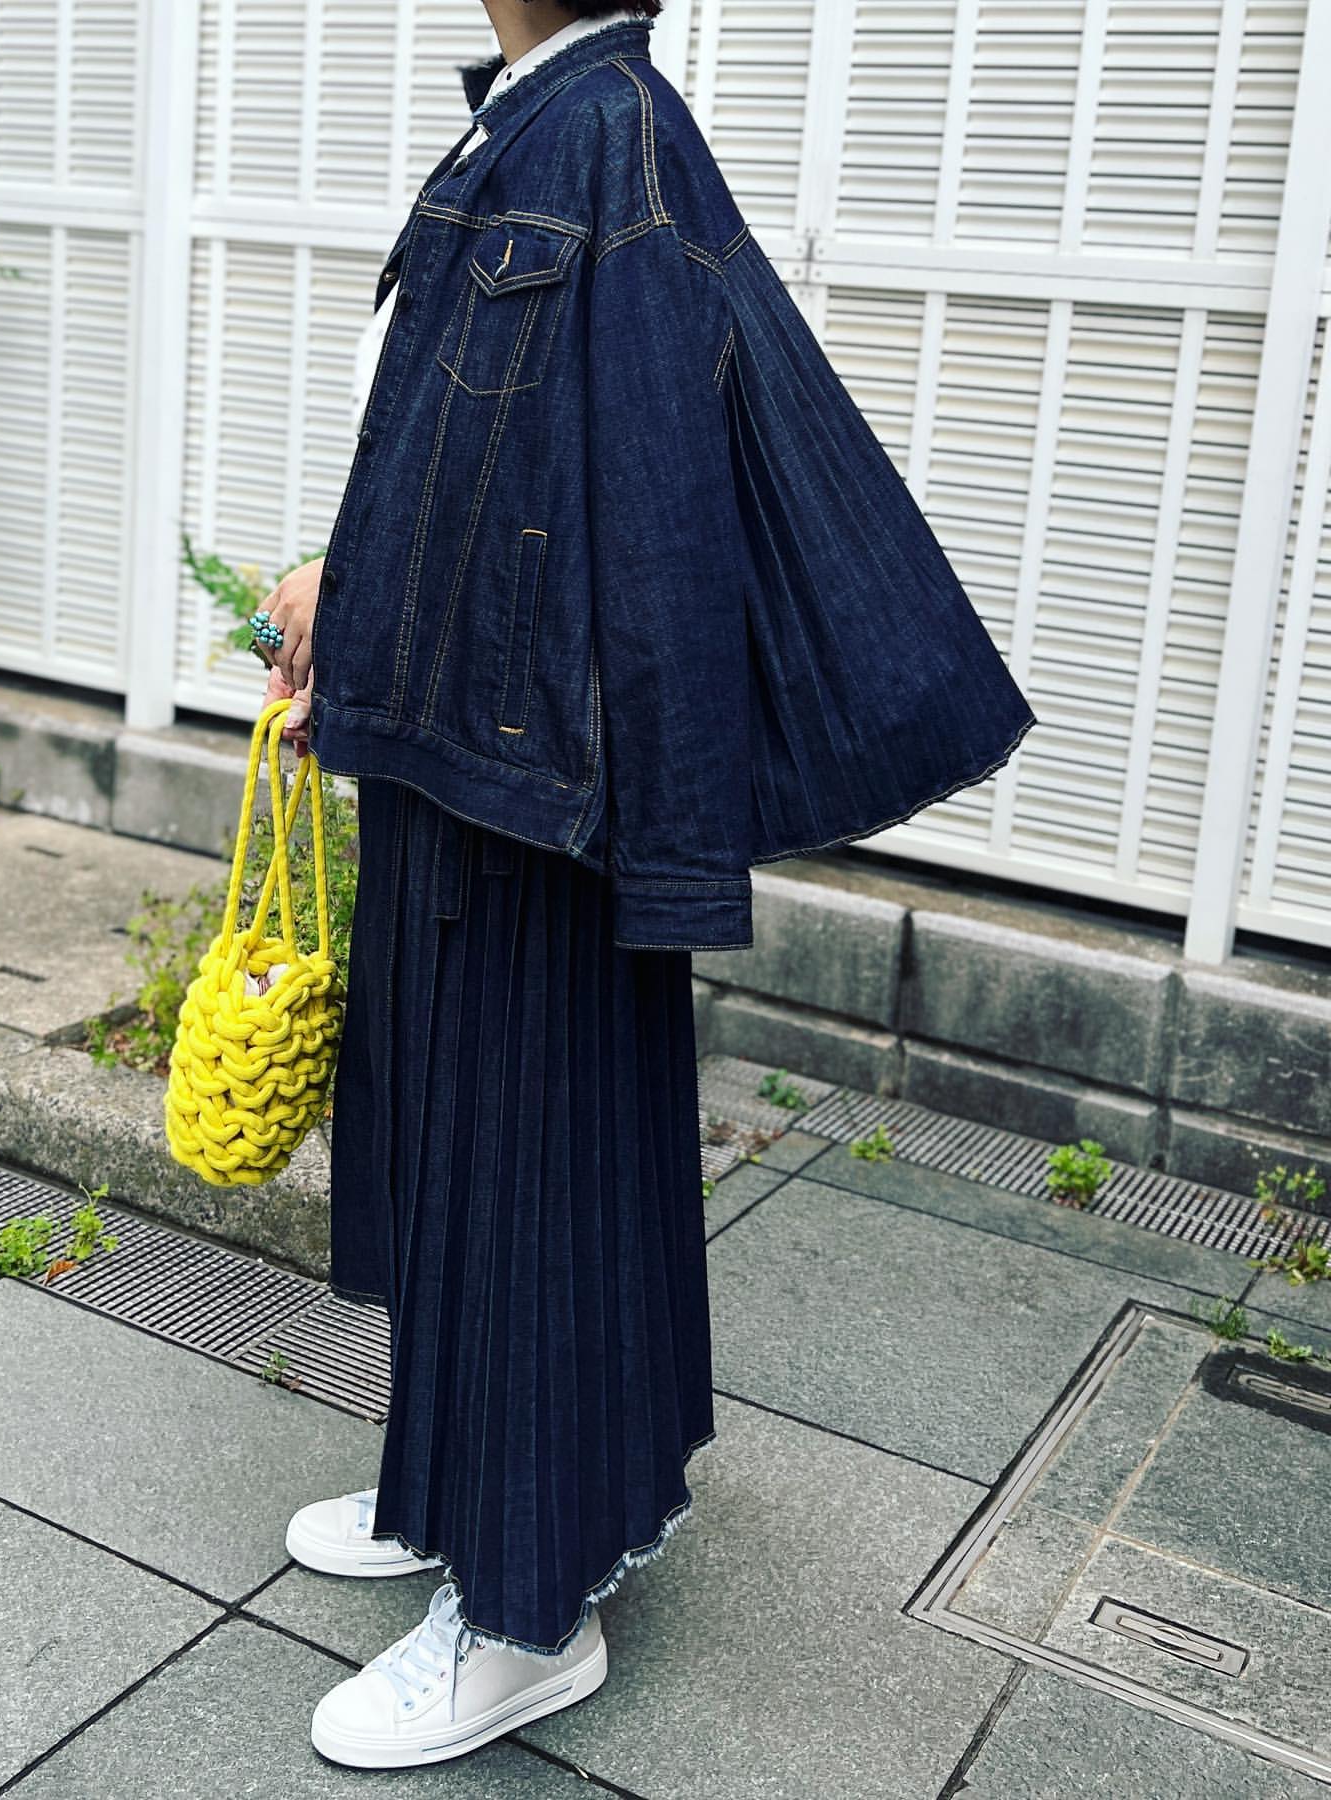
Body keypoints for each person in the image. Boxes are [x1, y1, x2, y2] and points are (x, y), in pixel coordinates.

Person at [253, 0, 1038, 1772]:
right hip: (469, 749)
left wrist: (658, 835)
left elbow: (653, 515)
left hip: (540, 781)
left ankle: (528, 1618)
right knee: (455, 1153)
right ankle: (451, 1494)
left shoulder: (611, 133)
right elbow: (465, 469)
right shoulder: (542, 118)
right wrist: (343, 604)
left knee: (526, 1172)